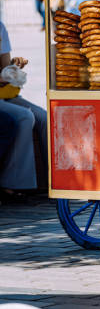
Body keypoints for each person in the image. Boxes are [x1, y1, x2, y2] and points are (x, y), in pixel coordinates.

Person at [0, 21, 47, 200]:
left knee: (43, 117)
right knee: (24, 117)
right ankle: (14, 184)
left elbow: (5, 68)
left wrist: (14, 66)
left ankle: (51, 181)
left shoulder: (1, 27)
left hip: (5, 93)